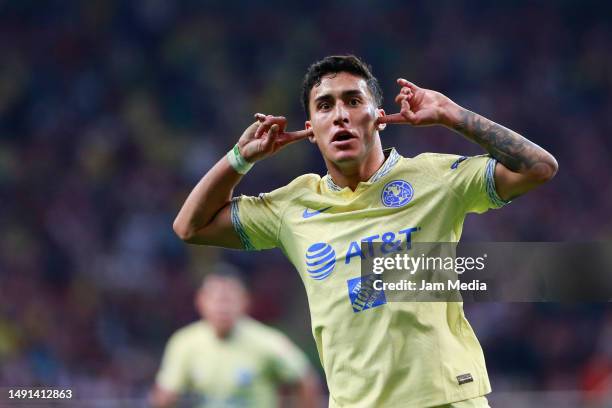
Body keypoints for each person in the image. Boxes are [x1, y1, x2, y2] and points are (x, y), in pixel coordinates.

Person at [172, 55, 558, 407]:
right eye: (325, 105)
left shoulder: (435, 178)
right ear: (311, 129)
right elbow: (190, 226)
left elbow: (539, 167)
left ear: (378, 115)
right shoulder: (293, 205)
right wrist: (241, 159)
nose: (340, 115)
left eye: (353, 101)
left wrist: (451, 114)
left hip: (444, 399)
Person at [150, 266, 321, 408]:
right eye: (216, 299)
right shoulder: (184, 342)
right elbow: (165, 395)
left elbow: (306, 380)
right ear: (201, 301)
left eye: (229, 299)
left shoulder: (267, 340)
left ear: (245, 301)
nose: (222, 306)